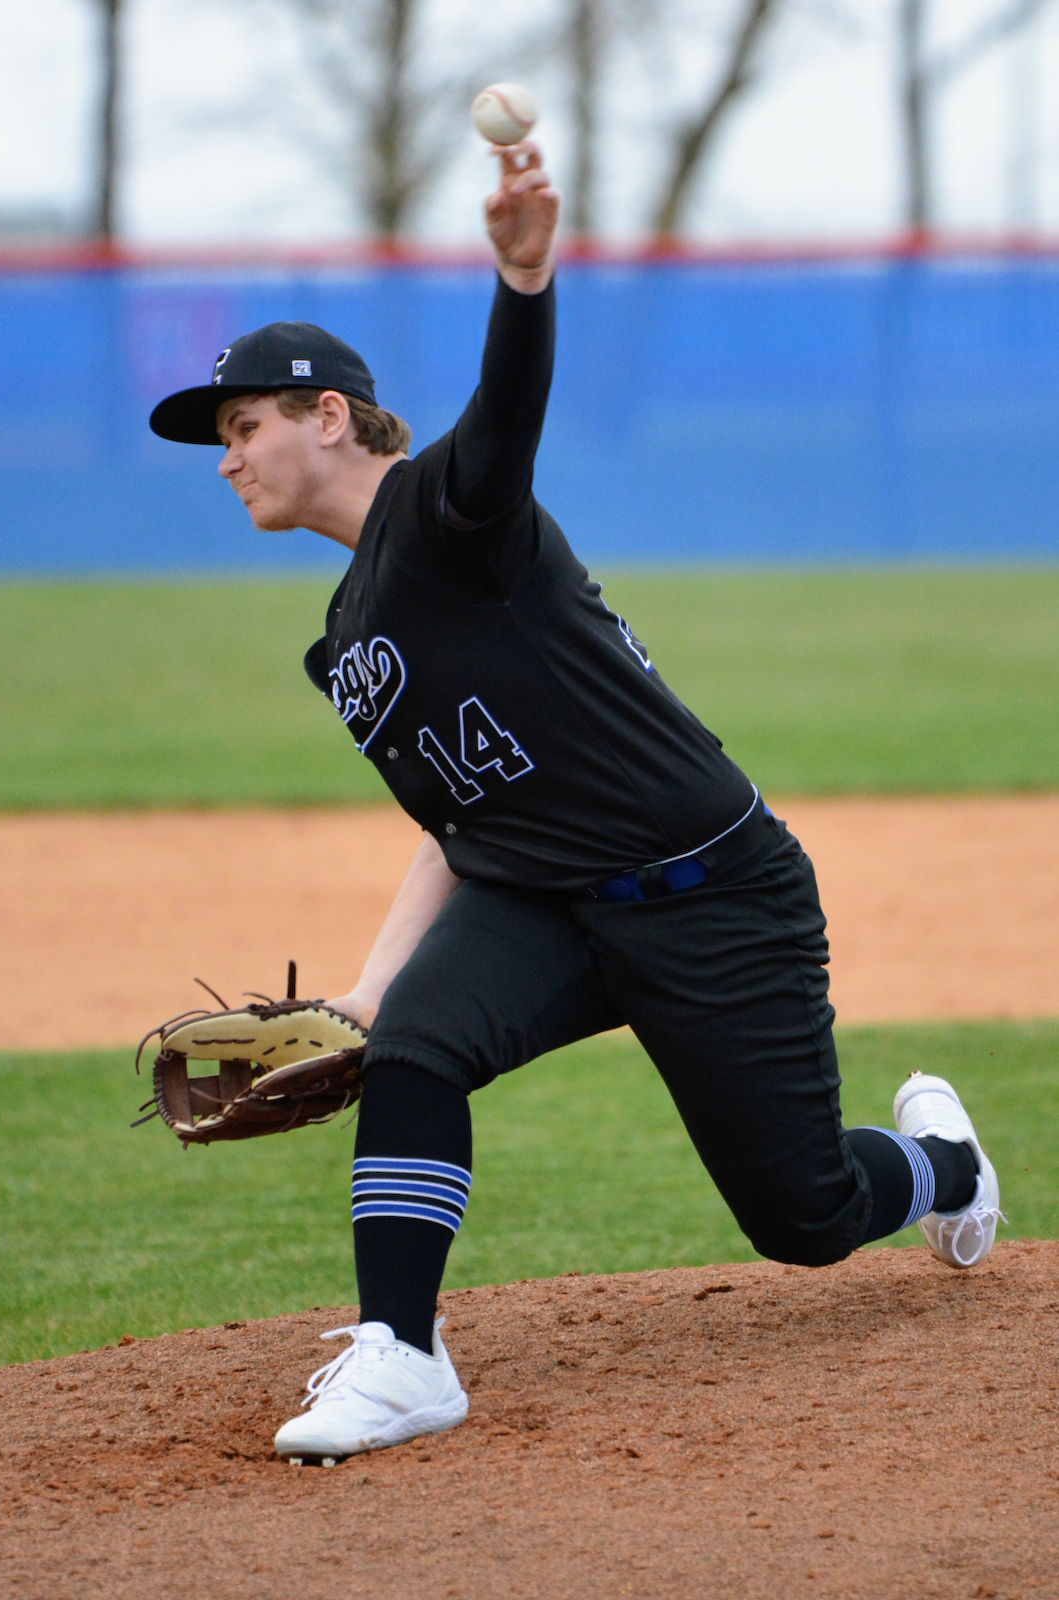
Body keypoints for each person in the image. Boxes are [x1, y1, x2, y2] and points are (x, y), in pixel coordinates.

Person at [150, 142, 1003, 1464]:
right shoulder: (346, 641)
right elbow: (460, 825)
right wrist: (370, 991)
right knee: (417, 1044)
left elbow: (507, 410)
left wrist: (524, 279)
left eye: (243, 425)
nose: (227, 459)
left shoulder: (449, 512)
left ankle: (945, 1164)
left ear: (328, 415)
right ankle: (403, 1354)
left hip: (714, 894)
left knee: (801, 1214)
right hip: (548, 902)